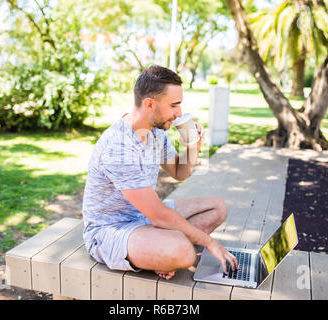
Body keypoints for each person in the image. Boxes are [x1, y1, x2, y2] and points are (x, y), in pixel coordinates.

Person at [82, 65, 238, 280]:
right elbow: (158, 213)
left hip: (144, 217)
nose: (179, 114)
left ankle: (157, 250)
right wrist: (209, 242)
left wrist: (193, 146)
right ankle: (160, 251)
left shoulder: (155, 134)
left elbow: (179, 172)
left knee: (217, 207)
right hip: (111, 231)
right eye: (174, 105)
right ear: (149, 104)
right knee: (184, 252)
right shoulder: (119, 146)